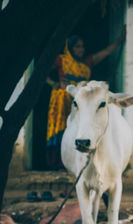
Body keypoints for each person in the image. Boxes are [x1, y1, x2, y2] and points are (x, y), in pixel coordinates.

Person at [46, 26, 126, 169]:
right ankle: (57, 161)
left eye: (82, 47)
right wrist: (54, 83)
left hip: (83, 100)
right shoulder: (61, 60)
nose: (81, 50)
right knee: (61, 127)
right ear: (70, 48)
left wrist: (119, 40)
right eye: (77, 47)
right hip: (63, 98)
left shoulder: (87, 62)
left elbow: (106, 52)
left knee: (81, 127)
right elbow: (40, 72)